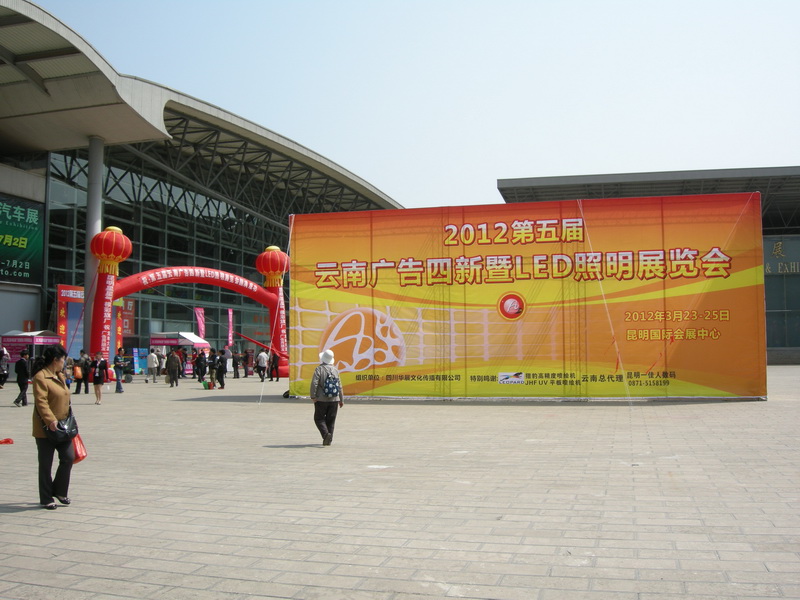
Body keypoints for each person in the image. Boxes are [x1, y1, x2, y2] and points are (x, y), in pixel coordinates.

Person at [31, 344, 73, 509]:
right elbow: (41, 401)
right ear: (55, 360)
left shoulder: (59, 375)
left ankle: (60, 491)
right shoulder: (41, 377)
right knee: (45, 464)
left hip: (63, 426)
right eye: (63, 360)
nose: (64, 363)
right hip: (46, 428)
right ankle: (46, 498)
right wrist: (50, 420)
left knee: (68, 457)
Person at [309, 349, 344, 446]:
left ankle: (325, 435)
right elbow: (340, 386)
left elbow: (314, 383)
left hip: (321, 399)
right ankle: (329, 439)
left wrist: (313, 396)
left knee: (318, 418)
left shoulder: (319, 369)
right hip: (334, 399)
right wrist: (341, 399)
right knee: (331, 420)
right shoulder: (335, 370)